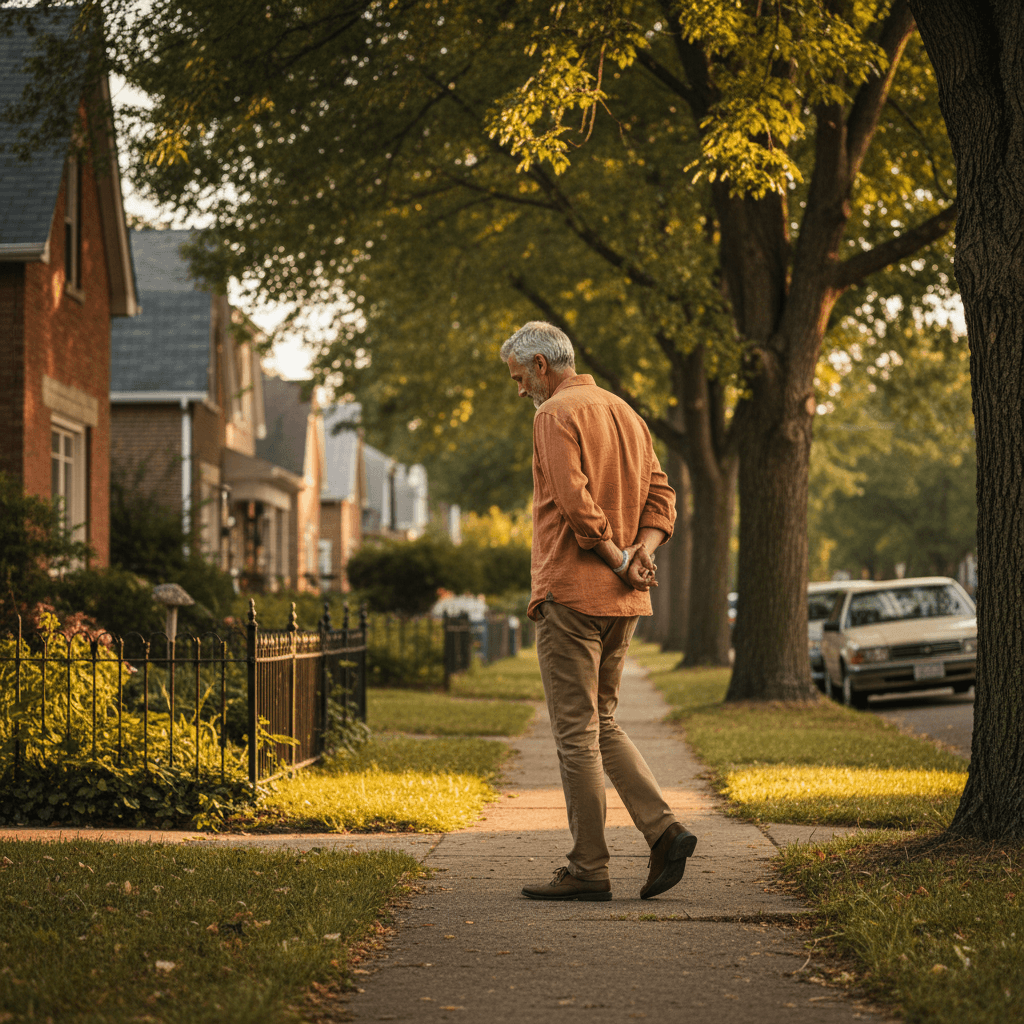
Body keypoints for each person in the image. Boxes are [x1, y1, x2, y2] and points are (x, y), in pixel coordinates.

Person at [500, 320, 697, 902]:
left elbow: (575, 502)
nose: (519, 391)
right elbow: (662, 497)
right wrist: (642, 554)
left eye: (518, 378)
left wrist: (616, 557)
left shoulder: (553, 415)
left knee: (575, 734)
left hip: (574, 593)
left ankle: (589, 868)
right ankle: (665, 831)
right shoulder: (625, 412)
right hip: (623, 601)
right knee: (602, 721)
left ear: (541, 366)